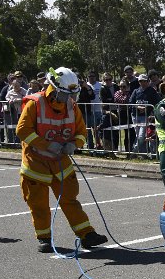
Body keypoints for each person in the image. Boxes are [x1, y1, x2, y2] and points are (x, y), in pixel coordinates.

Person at [15, 66, 108, 253]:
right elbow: (22, 130)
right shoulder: (35, 103)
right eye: (66, 94)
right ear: (54, 89)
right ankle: (44, 239)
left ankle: (86, 234)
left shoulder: (72, 106)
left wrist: (74, 144)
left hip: (60, 163)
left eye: (73, 94)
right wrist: (46, 144)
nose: (70, 99)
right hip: (36, 164)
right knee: (39, 204)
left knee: (70, 200)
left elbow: (81, 132)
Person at [128, 73, 162, 154]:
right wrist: (138, 107)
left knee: (141, 136)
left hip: (146, 117)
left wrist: (148, 108)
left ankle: (134, 152)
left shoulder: (152, 91)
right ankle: (143, 153)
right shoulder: (136, 91)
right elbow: (130, 103)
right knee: (138, 136)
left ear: (148, 81)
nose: (142, 83)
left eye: (144, 81)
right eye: (140, 81)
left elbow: (158, 102)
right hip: (135, 116)